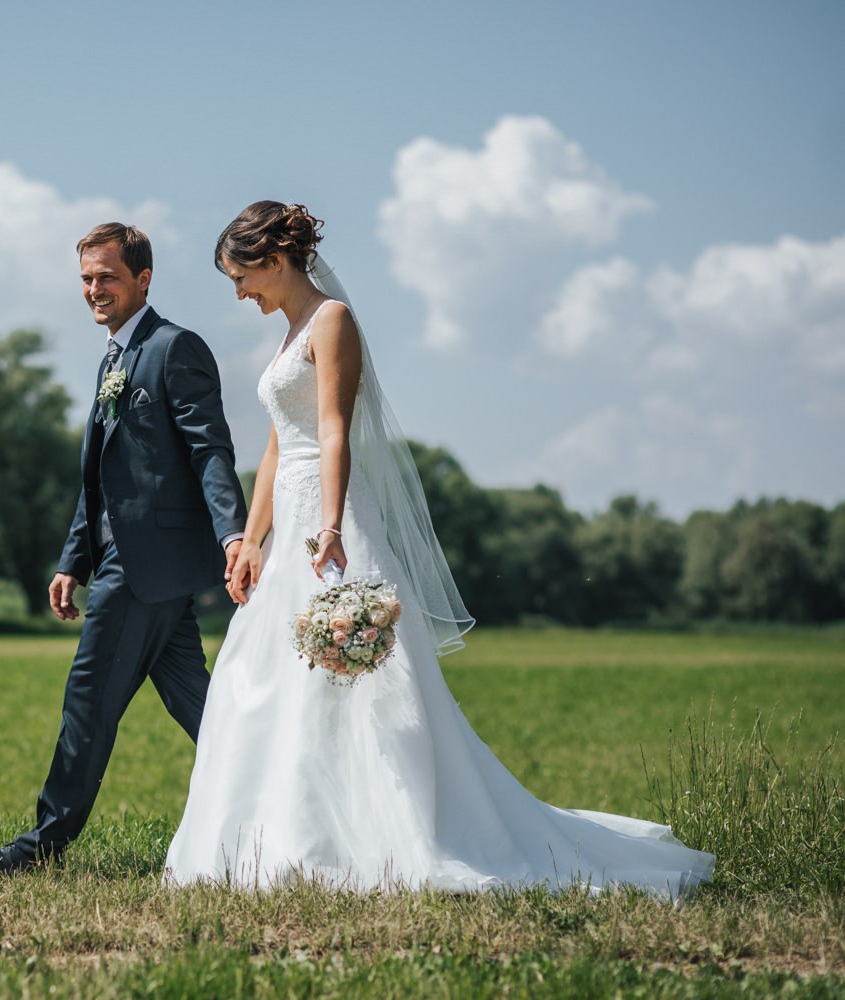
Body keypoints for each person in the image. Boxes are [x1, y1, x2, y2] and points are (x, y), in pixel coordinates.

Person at [164, 201, 714, 897]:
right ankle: (279, 836)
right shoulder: (287, 335)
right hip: (289, 513)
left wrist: (329, 525)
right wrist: (253, 537)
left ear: (273, 261)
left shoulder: (332, 321)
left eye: (240, 278)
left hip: (332, 516)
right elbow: (278, 442)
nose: (239, 294)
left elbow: (334, 431)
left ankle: (382, 836)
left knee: (354, 678)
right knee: (265, 678)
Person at [0, 223, 248, 872]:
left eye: (107, 277)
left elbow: (210, 451)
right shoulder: (112, 359)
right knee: (208, 712)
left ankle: (41, 849)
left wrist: (235, 533)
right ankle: (283, 812)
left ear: (142, 280)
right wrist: (72, 559)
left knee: (87, 705)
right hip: (136, 569)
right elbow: (100, 480)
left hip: (144, 568)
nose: (94, 289)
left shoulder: (175, 349)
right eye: (87, 278)